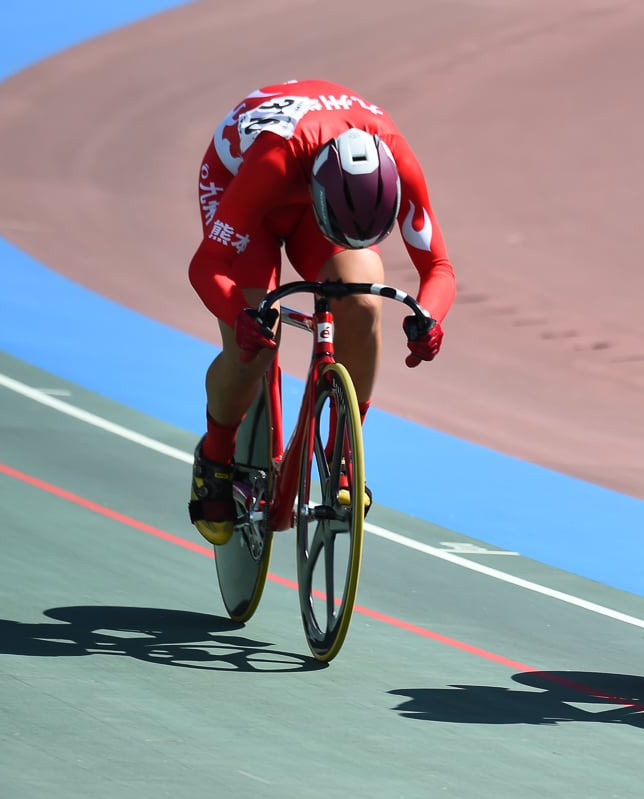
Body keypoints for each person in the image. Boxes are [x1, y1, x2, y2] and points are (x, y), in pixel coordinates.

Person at [187, 79, 456, 546]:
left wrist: (429, 318)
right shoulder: (273, 161)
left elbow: (438, 266)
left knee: (363, 301)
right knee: (252, 340)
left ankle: (343, 454)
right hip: (244, 181)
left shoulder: (399, 158)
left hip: (322, 195)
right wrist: (239, 316)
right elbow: (207, 265)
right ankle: (215, 456)